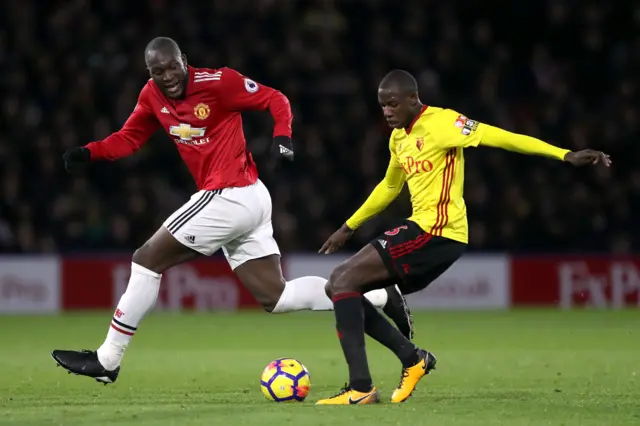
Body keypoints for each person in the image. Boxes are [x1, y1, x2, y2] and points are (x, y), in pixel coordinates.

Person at [51, 38, 414, 385]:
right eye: (159, 71)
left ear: (184, 60)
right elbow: (130, 137)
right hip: (245, 200)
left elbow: (277, 99)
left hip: (232, 194)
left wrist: (282, 137)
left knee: (146, 259)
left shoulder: (218, 81)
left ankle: (108, 359)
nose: (169, 77)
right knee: (277, 297)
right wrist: (91, 152)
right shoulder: (151, 95)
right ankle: (381, 294)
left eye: (173, 67)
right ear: (150, 72)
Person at [314, 69, 612, 405]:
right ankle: (412, 358)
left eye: (393, 104)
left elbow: (501, 136)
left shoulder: (445, 123)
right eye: (382, 105)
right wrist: (348, 227)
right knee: (339, 287)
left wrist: (563, 154)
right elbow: (390, 186)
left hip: (438, 231)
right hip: (422, 229)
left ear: (413, 99)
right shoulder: (398, 138)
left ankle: (362, 386)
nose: (386, 111)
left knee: (342, 281)